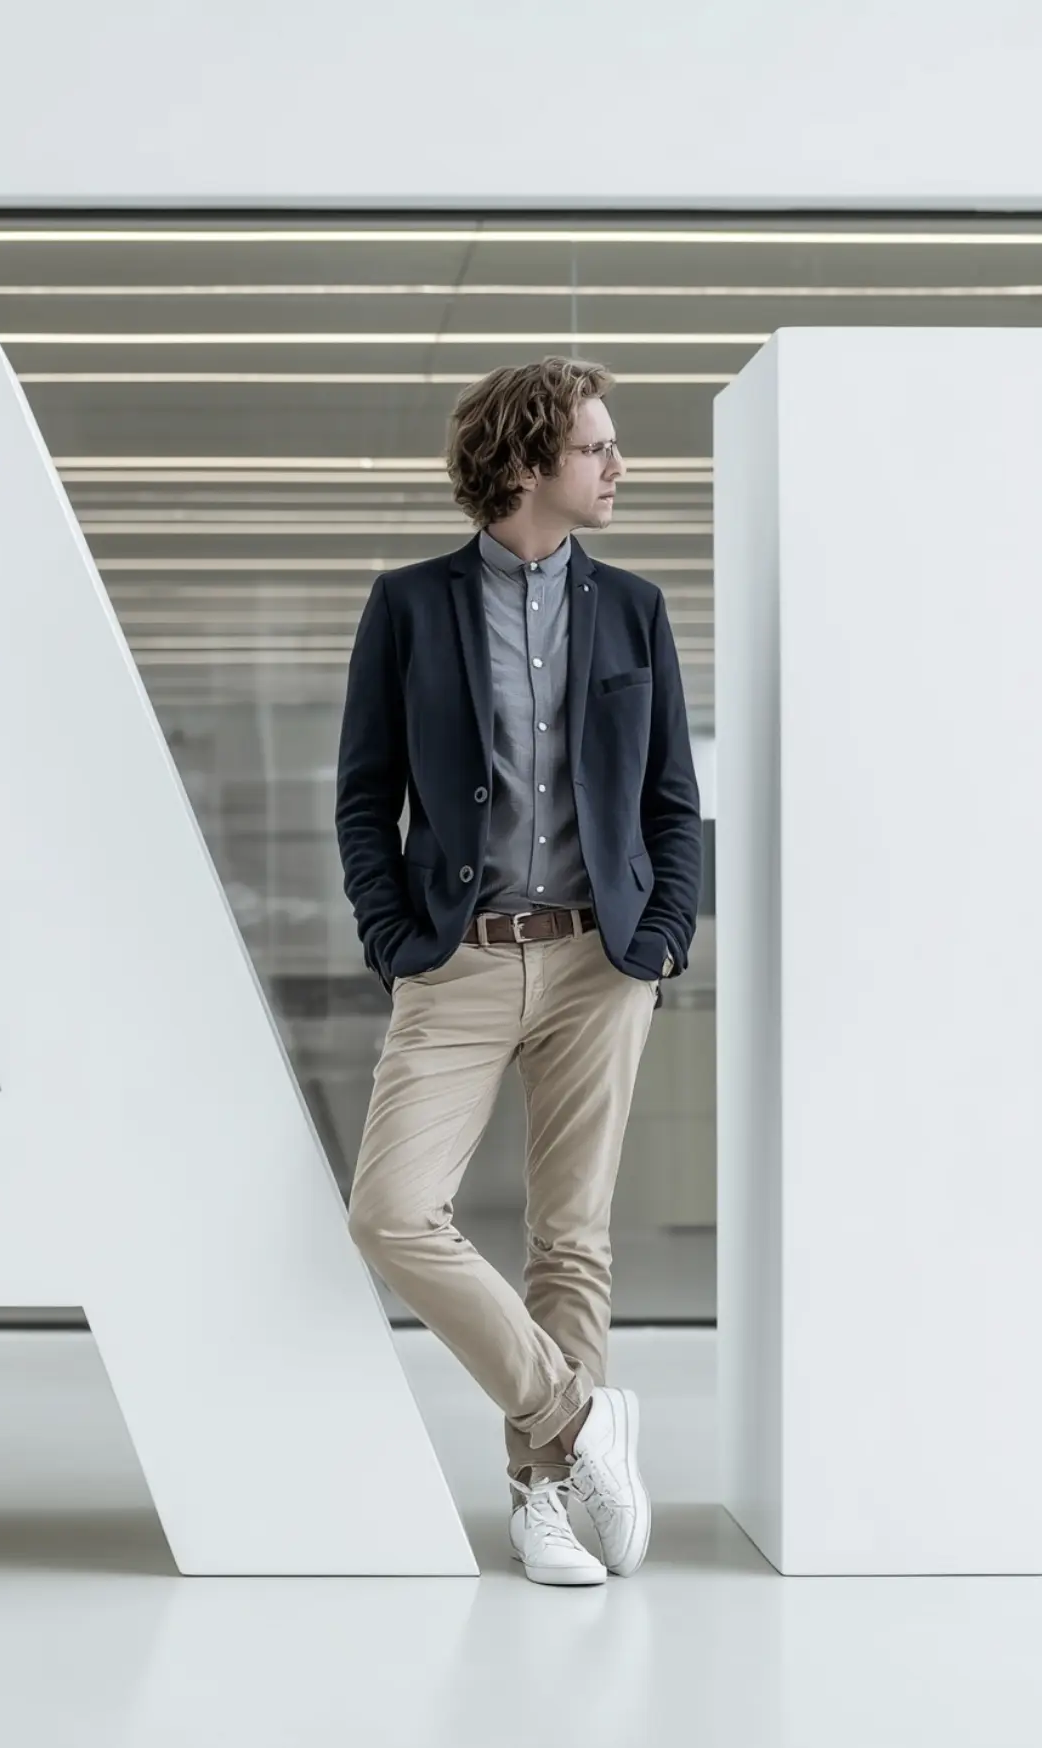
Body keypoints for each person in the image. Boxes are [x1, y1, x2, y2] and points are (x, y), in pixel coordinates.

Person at [334, 356, 703, 1587]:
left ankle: (543, 1501)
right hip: (461, 959)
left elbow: (671, 802)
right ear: (531, 462)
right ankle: (583, 1418)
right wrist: (396, 939)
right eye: (598, 447)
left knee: (571, 1240)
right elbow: (362, 798)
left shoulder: (633, 607)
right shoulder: (407, 604)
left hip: (603, 961)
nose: (617, 466)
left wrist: (657, 943)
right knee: (392, 1210)